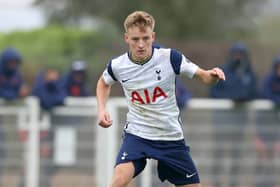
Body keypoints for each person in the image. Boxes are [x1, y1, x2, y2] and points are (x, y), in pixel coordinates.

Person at [96, 11, 225, 187]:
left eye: (145, 38)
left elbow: (204, 76)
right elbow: (103, 83)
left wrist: (213, 75)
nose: (141, 44)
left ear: (153, 37)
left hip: (169, 136)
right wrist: (102, 109)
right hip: (138, 134)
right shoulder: (118, 65)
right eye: (135, 39)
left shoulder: (170, 58)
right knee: (119, 179)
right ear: (126, 38)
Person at [209, 42, 258, 187]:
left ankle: (233, 183)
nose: (238, 58)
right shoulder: (222, 72)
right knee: (219, 155)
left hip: (239, 122)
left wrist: (243, 97)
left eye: (241, 55)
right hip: (222, 122)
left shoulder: (249, 74)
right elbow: (214, 92)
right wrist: (231, 97)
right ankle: (217, 183)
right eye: (235, 54)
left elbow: (255, 92)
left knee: (236, 155)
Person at [0, 47, 29, 187]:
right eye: (10, 62)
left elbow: (20, 89)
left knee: (3, 152)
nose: (13, 65)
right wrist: (15, 94)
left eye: (15, 62)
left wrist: (19, 92)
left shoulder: (16, 75)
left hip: (6, 123)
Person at [253, 55, 280, 187]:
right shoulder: (268, 82)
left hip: (275, 133)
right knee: (261, 161)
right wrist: (257, 137)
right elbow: (266, 94)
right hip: (263, 131)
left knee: (271, 162)